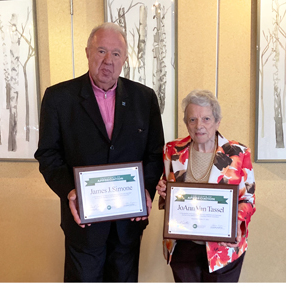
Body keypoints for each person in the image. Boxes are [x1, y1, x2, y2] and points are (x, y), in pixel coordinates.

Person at [34, 22, 164, 282]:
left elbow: (154, 153)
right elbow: (48, 155)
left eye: (116, 54)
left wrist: (146, 190)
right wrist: (71, 191)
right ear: (87, 53)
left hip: (129, 223)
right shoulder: (59, 98)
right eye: (101, 51)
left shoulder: (144, 98)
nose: (108, 61)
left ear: (125, 59)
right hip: (83, 224)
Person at [156, 89, 255, 282]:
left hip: (223, 248)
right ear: (186, 123)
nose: (199, 125)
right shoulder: (172, 150)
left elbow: (248, 200)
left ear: (217, 122)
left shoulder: (238, 153)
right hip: (183, 245)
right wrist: (164, 192)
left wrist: (234, 224)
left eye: (206, 119)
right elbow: (168, 196)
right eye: (192, 120)